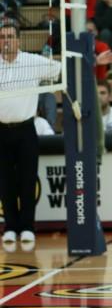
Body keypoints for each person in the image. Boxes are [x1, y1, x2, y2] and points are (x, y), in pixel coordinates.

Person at [0, 23, 61, 246]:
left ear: (18, 40)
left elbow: (60, 69)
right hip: (1, 131)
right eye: (1, 36)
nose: (5, 40)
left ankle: (27, 227)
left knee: (27, 181)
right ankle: (10, 227)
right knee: (5, 183)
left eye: (9, 36)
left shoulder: (32, 62)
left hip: (26, 129)